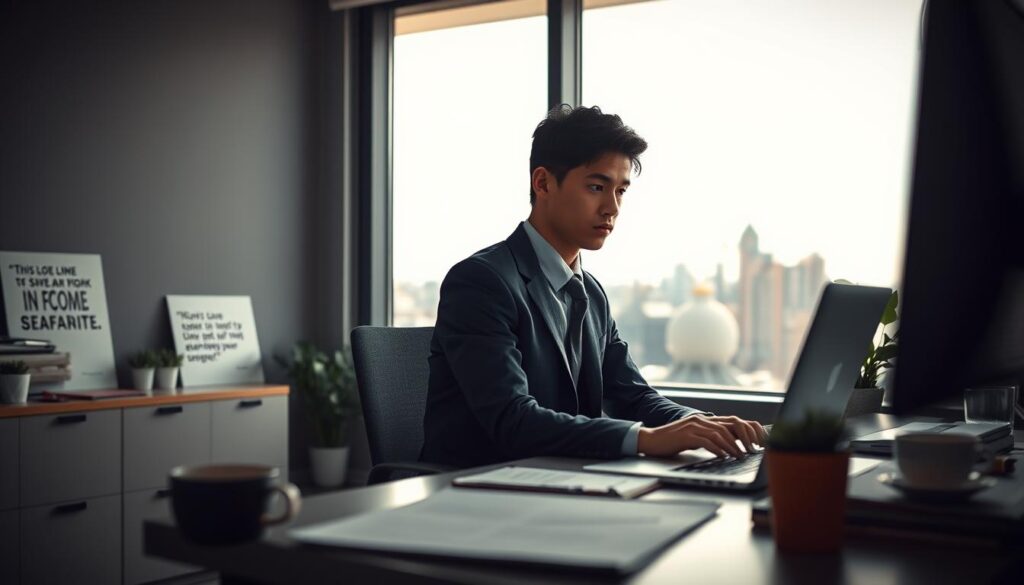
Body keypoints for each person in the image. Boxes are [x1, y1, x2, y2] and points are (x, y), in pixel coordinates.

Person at [420, 104, 767, 468]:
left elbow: (633, 395)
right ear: (543, 183)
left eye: (620, 191)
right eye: (597, 187)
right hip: (472, 489)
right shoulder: (481, 282)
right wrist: (646, 439)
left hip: (559, 479)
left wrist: (703, 425)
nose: (611, 207)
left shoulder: (592, 294)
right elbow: (513, 421)